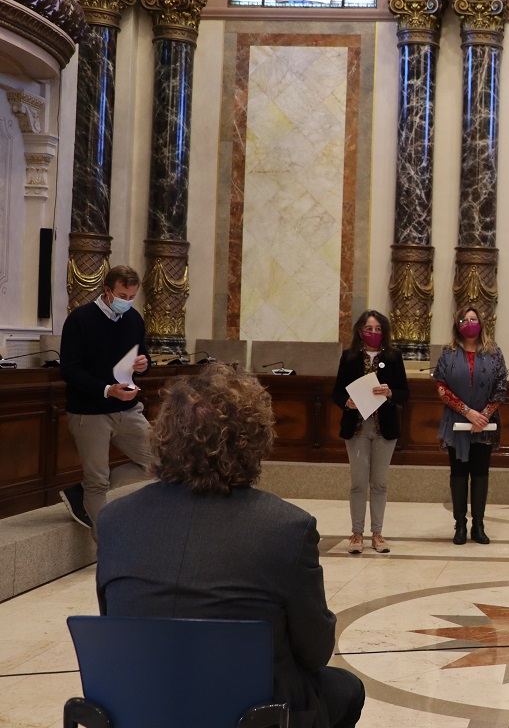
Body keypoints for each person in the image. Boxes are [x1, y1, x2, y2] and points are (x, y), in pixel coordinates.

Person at [95, 364, 365, 728]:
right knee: (345, 688)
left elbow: (116, 623)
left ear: (163, 435)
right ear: (255, 439)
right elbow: (315, 652)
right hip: (249, 714)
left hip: (142, 708)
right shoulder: (286, 528)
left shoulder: (115, 519)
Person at [58, 265, 156, 529]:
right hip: (89, 412)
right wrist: (106, 389)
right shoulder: (80, 319)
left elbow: (144, 358)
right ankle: (107, 552)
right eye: (123, 295)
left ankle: (83, 490)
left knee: (163, 462)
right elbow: (69, 369)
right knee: (98, 483)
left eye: (131, 296)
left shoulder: (134, 319)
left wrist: (144, 365)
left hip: (128, 409)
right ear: (107, 291)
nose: (127, 301)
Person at [332, 310, 410, 554]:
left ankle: (377, 533)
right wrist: (348, 402)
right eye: (369, 328)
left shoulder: (394, 357)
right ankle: (357, 534)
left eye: (378, 329)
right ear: (359, 331)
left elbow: (404, 392)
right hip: (357, 428)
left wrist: (390, 393)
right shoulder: (349, 357)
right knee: (358, 483)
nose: (373, 333)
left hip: (384, 428)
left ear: (384, 332)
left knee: (379, 483)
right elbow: (337, 392)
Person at [434, 306, 508, 545]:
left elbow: (500, 388)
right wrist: (467, 412)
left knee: (479, 473)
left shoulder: (494, 353)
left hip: (485, 426)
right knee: (458, 474)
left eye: (473, 318)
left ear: (481, 323)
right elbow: (441, 387)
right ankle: (460, 525)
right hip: (456, 423)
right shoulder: (448, 353)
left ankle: (478, 524)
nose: (469, 322)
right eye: (464, 319)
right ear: (457, 325)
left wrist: (482, 416)